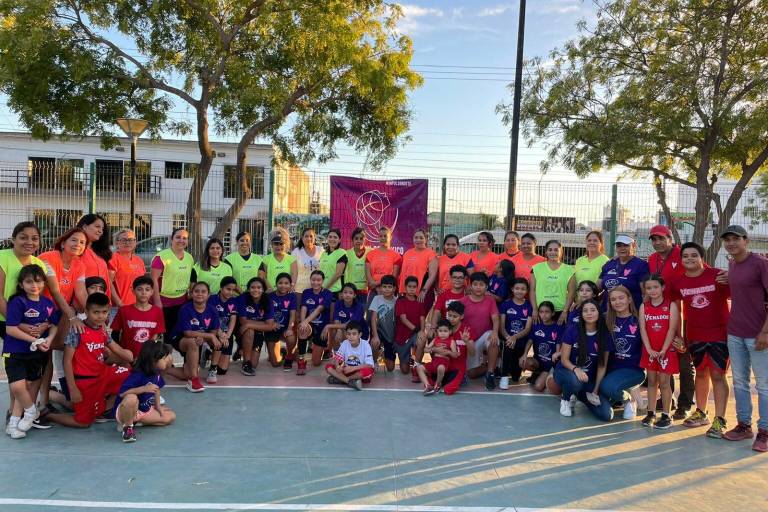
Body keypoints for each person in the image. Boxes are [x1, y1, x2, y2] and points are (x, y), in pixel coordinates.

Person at [670, 242, 731, 438]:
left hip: (719, 335)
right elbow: (677, 310)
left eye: (693, 255)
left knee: (718, 375)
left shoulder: (718, 275)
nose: (689, 259)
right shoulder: (679, 282)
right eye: (685, 256)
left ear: (701, 257)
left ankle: (719, 420)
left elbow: (739, 295)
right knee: (701, 373)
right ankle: (701, 412)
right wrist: (679, 335)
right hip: (695, 335)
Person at [47, 292, 134, 428]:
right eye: (96, 312)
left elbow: (117, 349)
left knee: (132, 376)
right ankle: (48, 415)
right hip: (85, 382)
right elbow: (67, 361)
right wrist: (73, 388)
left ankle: (103, 409)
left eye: (104, 312)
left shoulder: (102, 330)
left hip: (103, 374)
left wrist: (132, 357)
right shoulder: (78, 330)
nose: (100, 316)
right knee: (83, 423)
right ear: (86, 311)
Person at [719, 225, 768, 451]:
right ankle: (744, 425)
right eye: (727, 239)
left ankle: (765, 431)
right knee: (739, 382)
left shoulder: (760, 263)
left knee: (764, 385)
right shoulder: (732, 264)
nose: (731, 243)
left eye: (735, 239)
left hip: (758, 334)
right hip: (735, 333)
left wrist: (765, 332)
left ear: (745, 240)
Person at [3, 265, 59, 438]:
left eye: (38, 281)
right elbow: (11, 329)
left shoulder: (48, 304)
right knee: (18, 387)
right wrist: (35, 340)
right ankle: (30, 411)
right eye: (28, 282)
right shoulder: (17, 302)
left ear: (44, 282)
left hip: (36, 354)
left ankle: (13, 425)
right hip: (15, 351)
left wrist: (48, 340)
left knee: (28, 386)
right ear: (21, 284)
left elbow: (54, 324)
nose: (34, 285)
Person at [647, 224, 693, 420]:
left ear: (670, 238)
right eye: (654, 239)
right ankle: (668, 400)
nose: (657, 243)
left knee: (683, 358)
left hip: (684, 314)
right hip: (661, 315)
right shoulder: (652, 259)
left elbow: (701, 270)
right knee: (665, 358)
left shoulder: (683, 254)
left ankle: (685, 403)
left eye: (661, 238)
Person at [553, 299, 613, 418]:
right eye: (585, 311)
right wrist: (576, 369)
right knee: (575, 381)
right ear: (581, 314)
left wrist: (595, 390)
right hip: (566, 372)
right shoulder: (572, 330)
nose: (589, 313)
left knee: (606, 415)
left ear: (598, 312)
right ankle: (566, 400)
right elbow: (564, 359)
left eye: (592, 310)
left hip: (586, 380)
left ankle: (578, 394)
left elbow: (602, 365)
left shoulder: (604, 334)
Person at [598, 286, 646, 421]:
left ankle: (630, 401)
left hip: (633, 370)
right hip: (610, 371)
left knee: (607, 387)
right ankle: (618, 396)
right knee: (601, 408)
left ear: (629, 299)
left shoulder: (639, 321)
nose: (617, 302)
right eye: (613, 299)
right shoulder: (604, 320)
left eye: (621, 298)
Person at [639, 275, 680, 429]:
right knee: (651, 381)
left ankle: (666, 415)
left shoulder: (671, 306)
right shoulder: (644, 306)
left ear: (662, 287)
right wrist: (649, 348)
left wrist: (664, 349)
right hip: (650, 350)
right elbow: (643, 328)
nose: (653, 291)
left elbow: (672, 328)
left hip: (666, 350)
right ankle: (651, 413)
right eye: (649, 288)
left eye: (655, 287)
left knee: (664, 383)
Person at [114, 341, 176, 442]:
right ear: (153, 360)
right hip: (127, 410)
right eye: (164, 358)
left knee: (171, 416)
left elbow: (157, 389)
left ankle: (137, 421)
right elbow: (122, 393)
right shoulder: (137, 375)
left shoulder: (157, 372)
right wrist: (143, 389)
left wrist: (158, 406)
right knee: (131, 398)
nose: (167, 360)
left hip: (143, 411)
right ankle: (127, 427)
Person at [169, 282, 221, 393]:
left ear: (208, 295)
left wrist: (205, 339)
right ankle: (194, 380)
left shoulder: (212, 310)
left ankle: (162, 369)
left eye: (203, 291)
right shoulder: (185, 309)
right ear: (191, 294)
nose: (200, 294)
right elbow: (187, 333)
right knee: (193, 342)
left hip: (198, 339)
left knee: (186, 374)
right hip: (180, 338)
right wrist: (209, 336)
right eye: (196, 291)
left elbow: (214, 331)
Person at [416, 301, 476, 396]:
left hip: (457, 368)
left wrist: (467, 341)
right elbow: (431, 346)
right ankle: (435, 383)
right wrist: (435, 349)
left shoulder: (467, 330)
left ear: (462, 316)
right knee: (429, 383)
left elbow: (472, 354)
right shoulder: (443, 328)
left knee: (448, 390)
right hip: (441, 364)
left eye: (454, 316)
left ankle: (458, 378)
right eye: (449, 315)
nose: (451, 319)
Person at [150, 228, 194, 338]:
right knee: (158, 336)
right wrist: (157, 302)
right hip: (163, 302)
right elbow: (153, 279)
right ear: (171, 239)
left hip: (181, 302)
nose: (181, 240)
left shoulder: (189, 257)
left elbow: (189, 277)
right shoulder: (162, 257)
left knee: (174, 337)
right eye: (178, 237)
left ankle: (169, 355)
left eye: (184, 238)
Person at [110, 276, 165, 362]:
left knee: (164, 364)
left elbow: (156, 335)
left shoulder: (157, 311)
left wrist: (148, 355)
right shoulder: (124, 310)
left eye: (147, 290)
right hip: (128, 356)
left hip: (147, 356)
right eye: (139, 289)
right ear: (133, 291)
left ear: (152, 292)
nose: (143, 293)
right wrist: (121, 353)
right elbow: (115, 334)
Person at [460, 272, 500, 389]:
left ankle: (490, 373)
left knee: (494, 340)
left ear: (486, 287)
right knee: (471, 374)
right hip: (469, 340)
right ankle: (486, 366)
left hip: (484, 335)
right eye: (475, 284)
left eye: (481, 285)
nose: (478, 287)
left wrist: (495, 332)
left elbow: (496, 319)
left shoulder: (490, 300)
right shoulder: (463, 301)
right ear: (470, 286)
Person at [236, 276, 277, 376]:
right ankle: (246, 364)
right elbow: (243, 322)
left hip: (257, 331)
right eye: (253, 287)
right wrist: (263, 325)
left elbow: (270, 325)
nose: (256, 290)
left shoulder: (268, 301)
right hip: (242, 331)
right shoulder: (243, 298)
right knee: (249, 330)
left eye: (259, 287)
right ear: (248, 289)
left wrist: (249, 324)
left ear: (263, 290)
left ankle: (243, 353)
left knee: (254, 364)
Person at [520, 301, 562, 393]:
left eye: (547, 312)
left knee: (538, 387)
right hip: (538, 362)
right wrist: (524, 354)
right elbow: (530, 340)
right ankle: (536, 373)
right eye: (541, 312)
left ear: (553, 313)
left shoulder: (558, 327)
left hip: (549, 366)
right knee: (523, 362)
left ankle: (548, 376)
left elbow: (559, 344)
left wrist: (557, 357)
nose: (544, 315)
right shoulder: (536, 325)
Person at [598, 234, 649, 310]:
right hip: (608, 313)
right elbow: (597, 288)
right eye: (619, 246)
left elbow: (645, 293)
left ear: (633, 246)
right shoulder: (609, 264)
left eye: (626, 245)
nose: (622, 248)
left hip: (631, 314)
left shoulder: (641, 265)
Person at [296, 270, 333, 373]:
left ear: (322, 281)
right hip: (309, 325)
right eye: (313, 280)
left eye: (318, 280)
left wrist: (305, 322)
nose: (315, 282)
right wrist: (303, 323)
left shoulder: (327, 293)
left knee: (316, 362)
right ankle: (301, 361)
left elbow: (319, 309)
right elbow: (303, 308)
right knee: (302, 330)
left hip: (321, 328)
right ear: (310, 280)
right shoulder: (306, 292)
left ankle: (320, 348)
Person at [498, 278, 534, 383]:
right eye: (517, 288)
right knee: (508, 346)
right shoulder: (506, 304)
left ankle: (513, 370)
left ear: (527, 291)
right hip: (508, 340)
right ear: (512, 289)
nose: (519, 291)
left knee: (515, 377)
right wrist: (509, 338)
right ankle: (503, 376)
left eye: (523, 289)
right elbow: (501, 326)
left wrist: (515, 337)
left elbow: (527, 329)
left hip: (521, 342)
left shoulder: (529, 306)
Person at [530, 240, 574, 324]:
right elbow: (532, 290)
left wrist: (565, 311)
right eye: (550, 250)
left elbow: (571, 292)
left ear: (561, 252)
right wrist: (535, 309)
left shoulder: (569, 270)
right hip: (542, 311)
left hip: (560, 311)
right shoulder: (536, 268)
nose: (553, 252)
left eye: (556, 250)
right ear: (546, 252)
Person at [566, 231, 609, 318]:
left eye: (595, 240)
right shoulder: (580, 260)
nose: (592, 243)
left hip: (594, 304)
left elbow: (602, 285)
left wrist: (587, 299)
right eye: (589, 240)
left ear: (601, 243)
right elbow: (575, 282)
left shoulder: (606, 261)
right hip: (578, 303)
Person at [325, 321, 374, 391]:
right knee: (329, 366)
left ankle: (340, 379)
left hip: (358, 370)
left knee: (367, 371)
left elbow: (369, 365)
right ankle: (349, 381)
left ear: (360, 335)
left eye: (354, 334)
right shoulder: (345, 343)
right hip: (347, 370)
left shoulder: (365, 345)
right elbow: (337, 359)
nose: (351, 337)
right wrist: (337, 366)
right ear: (346, 335)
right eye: (349, 334)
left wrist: (353, 368)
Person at [76, 214, 114, 303]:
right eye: (97, 227)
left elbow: (107, 282)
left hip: (101, 305)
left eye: (102, 229)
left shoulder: (99, 253)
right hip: (81, 305)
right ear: (84, 226)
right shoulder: (76, 250)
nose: (100, 231)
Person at [206, 276, 238, 380]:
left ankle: (207, 356)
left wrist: (228, 335)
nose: (231, 292)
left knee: (222, 371)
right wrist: (221, 335)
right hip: (213, 330)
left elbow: (233, 319)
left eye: (233, 290)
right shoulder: (212, 299)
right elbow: (211, 319)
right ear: (221, 288)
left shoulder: (233, 301)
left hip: (226, 333)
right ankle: (212, 369)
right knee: (219, 343)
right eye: (228, 289)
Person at [399, 229, 438, 307]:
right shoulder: (407, 253)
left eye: (421, 238)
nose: (418, 240)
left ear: (426, 239)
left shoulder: (431, 254)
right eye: (416, 237)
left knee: (419, 318)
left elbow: (432, 276)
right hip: (406, 293)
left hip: (420, 294)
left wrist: (423, 291)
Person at [394, 276, 425, 374]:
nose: (412, 289)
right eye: (409, 286)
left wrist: (421, 332)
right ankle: (409, 359)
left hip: (414, 334)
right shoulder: (400, 301)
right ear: (405, 287)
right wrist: (416, 329)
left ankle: (417, 367)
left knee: (421, 340)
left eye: (414, 287)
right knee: (404, 370)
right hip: (402, 336)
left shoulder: (419, 301)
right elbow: (403, 319)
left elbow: (422, 318)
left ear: (417, 288)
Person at [323, 283, 368, 349]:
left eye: (350, 293)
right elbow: (336, 320)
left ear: (354, 295)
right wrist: (338, 329)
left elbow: (350, 325)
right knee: (334, 330)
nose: (347, 295)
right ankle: (336, 353)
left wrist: (328, 326)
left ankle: (351, 352)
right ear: (341, 294)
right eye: (345, 292)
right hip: (346, 329)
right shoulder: (338, 303)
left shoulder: (359, 306)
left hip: (360, 333)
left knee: (336, 328)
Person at [109, 229, 146, 307]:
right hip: (119, 307)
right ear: (117, 243)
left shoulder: (139, 260)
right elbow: (108, 283)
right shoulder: (113, 259)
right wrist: (119, 303)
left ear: (135, 242)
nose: (127, 242)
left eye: (131, 240)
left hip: (138, 305)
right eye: (124, 240)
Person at [269, 273, 298, 372]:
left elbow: (293, 314)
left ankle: (289, 356)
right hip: (272, 328)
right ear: (276, 284)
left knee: (291, 338)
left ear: (290, 285)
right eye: (280, 283)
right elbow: (266, 314)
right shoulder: (270, 296)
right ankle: (282, 352)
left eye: (286, 283)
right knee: (274, 363)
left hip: (285, 328)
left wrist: (290, 328)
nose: (283, 285)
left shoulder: (292, 296)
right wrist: (271, 324)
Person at [369, 274, 397, 372]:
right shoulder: (377, 299)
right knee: (374, 342)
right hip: (380, 331)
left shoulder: (397, 301)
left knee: (390, 368)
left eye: (390, 287)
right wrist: (375, 336)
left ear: (394, 288)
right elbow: (373, 319)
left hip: (391, 334)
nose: (387, 289)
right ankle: (374, 361)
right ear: (380, 287)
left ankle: (384, 353)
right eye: (384, 287)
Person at [365, 227, 401, 304]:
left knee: (388, 316)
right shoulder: (370, 255)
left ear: (390, 237)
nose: (383, 238)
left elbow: (393, 277)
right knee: (371, 316)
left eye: (385, 236)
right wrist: (376, 287)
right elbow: (368, 275)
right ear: (378, 237)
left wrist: (379, 286)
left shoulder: (396, 256)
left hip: (389, 292)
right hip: (374, 291)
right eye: (381, 236)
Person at [421, 320, 458, 395]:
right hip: (434, 361)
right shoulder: (435, 339)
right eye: (440, 331)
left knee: (441, 368)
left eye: (445, 331)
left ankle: (438, 384)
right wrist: (434, 349)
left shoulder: (451, 341)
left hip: (443, 362)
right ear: (437, 331)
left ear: (450, 331)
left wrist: (448, 352)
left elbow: (455, 355)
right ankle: (427, 386)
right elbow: (425, 350)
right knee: (419, 367)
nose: (443, 333)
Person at [292, 228, 324, 296]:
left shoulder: (321, 250)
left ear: (314, 238)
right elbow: (294, 272)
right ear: (302, 238)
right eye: (306, 236)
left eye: (311, 236)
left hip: (317, 289)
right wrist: (292, 286)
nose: (309, 239)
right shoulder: (296, 252)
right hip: (300, 290)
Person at [318, 228, 347, 296]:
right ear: (327, 239)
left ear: (339, 240)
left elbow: (338, 274)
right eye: (330, 237)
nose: (332, 239)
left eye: (335, 237)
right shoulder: (324, 254)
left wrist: (325, 288)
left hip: (335, 291)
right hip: (322, 290)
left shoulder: (342, 253)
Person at [344, 227, 370, 299]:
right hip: (351, 291)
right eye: (356, 238)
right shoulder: (347, 253)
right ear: (352, 240)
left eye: (361, 239)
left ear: (365, 240)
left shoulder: (371, 252)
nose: (358, 241)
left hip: (365, 291)